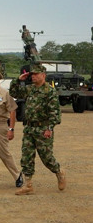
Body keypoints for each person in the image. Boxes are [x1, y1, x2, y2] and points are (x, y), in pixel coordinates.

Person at [9, 64, 66, 195]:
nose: (33, 77)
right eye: (32, 75)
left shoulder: (49, 91)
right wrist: (19, 80)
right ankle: (28, 185)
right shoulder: (30, 89)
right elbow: (14, 92)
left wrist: (49, 128)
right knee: (26, 157)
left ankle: (59, 172)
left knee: (46, 157)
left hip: (43, 128)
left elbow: (55, 113)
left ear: (43, 75)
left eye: (36, 74)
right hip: (29, 128)